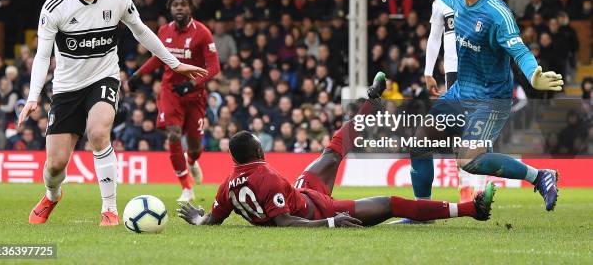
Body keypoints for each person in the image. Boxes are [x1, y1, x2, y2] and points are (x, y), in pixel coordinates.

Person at [19, 0, 208, 226]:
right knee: (55, 165)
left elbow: (142, 32)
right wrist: (33, 97)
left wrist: (175, 63)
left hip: (103, 78)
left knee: (98, 133)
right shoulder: (55, 7)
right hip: (67, 88)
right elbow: (42, 56)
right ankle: (52, 195)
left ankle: (109, 209)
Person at [177, 72, 496, 228]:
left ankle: (371, 103)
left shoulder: (227, 185)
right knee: (390, 203)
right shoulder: (266, 177)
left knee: (331, 152)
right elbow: (285, 223)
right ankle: (471, 210)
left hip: (302, 191)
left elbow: (212, 222)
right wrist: (331, 222)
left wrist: (196, 218)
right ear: (258, 151)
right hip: (318, 210)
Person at [415, 0, 563, 212]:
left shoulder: (497, 14)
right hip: (462, 91)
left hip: (491, 99)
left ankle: (540, 176)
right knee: (419, 142)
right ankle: (421, 212)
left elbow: (519, 50)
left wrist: (533, 75)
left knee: (468, 160)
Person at [129, 0, 220, 202]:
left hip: (194, 95)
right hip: (170, 91)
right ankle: (186, 187)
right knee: (173, 134)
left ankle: (192, 160)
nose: (179, 7)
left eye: (183, 4)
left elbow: (214, 67)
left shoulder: (203, 33)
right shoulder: (163, 31)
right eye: (175, 4)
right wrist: (138, 74)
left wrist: (192, 84)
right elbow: (158, 58)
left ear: (191, 8)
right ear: (170, 8)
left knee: (195, 146)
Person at [422, 0, 484, 205]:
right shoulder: (440, 2)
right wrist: (428, 72)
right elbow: (434, 37)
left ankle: (481, 187)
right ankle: (465, 187)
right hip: (453, 71)